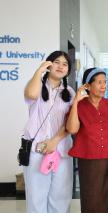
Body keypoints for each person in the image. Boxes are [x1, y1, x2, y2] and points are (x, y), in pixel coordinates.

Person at [66, 68, 108, 213]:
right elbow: (72, 129)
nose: (104, 86)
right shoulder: (79, 106)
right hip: (89, 163)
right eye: (99, 82)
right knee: (92, 200)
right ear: (88, 86)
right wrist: (75, 101)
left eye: (105, 82)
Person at [23, 51, 75, 213]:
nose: (60, 66)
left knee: (61, 197)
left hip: (62, 151)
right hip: (36, 150)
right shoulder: (36, 85)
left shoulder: (71, 93)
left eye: (65, 64)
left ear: (68, 70)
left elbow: (71, 122)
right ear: (49, 64)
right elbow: (30, 94)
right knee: (36, 197)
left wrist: (55, 140)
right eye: (57, 62)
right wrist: (40, 70)